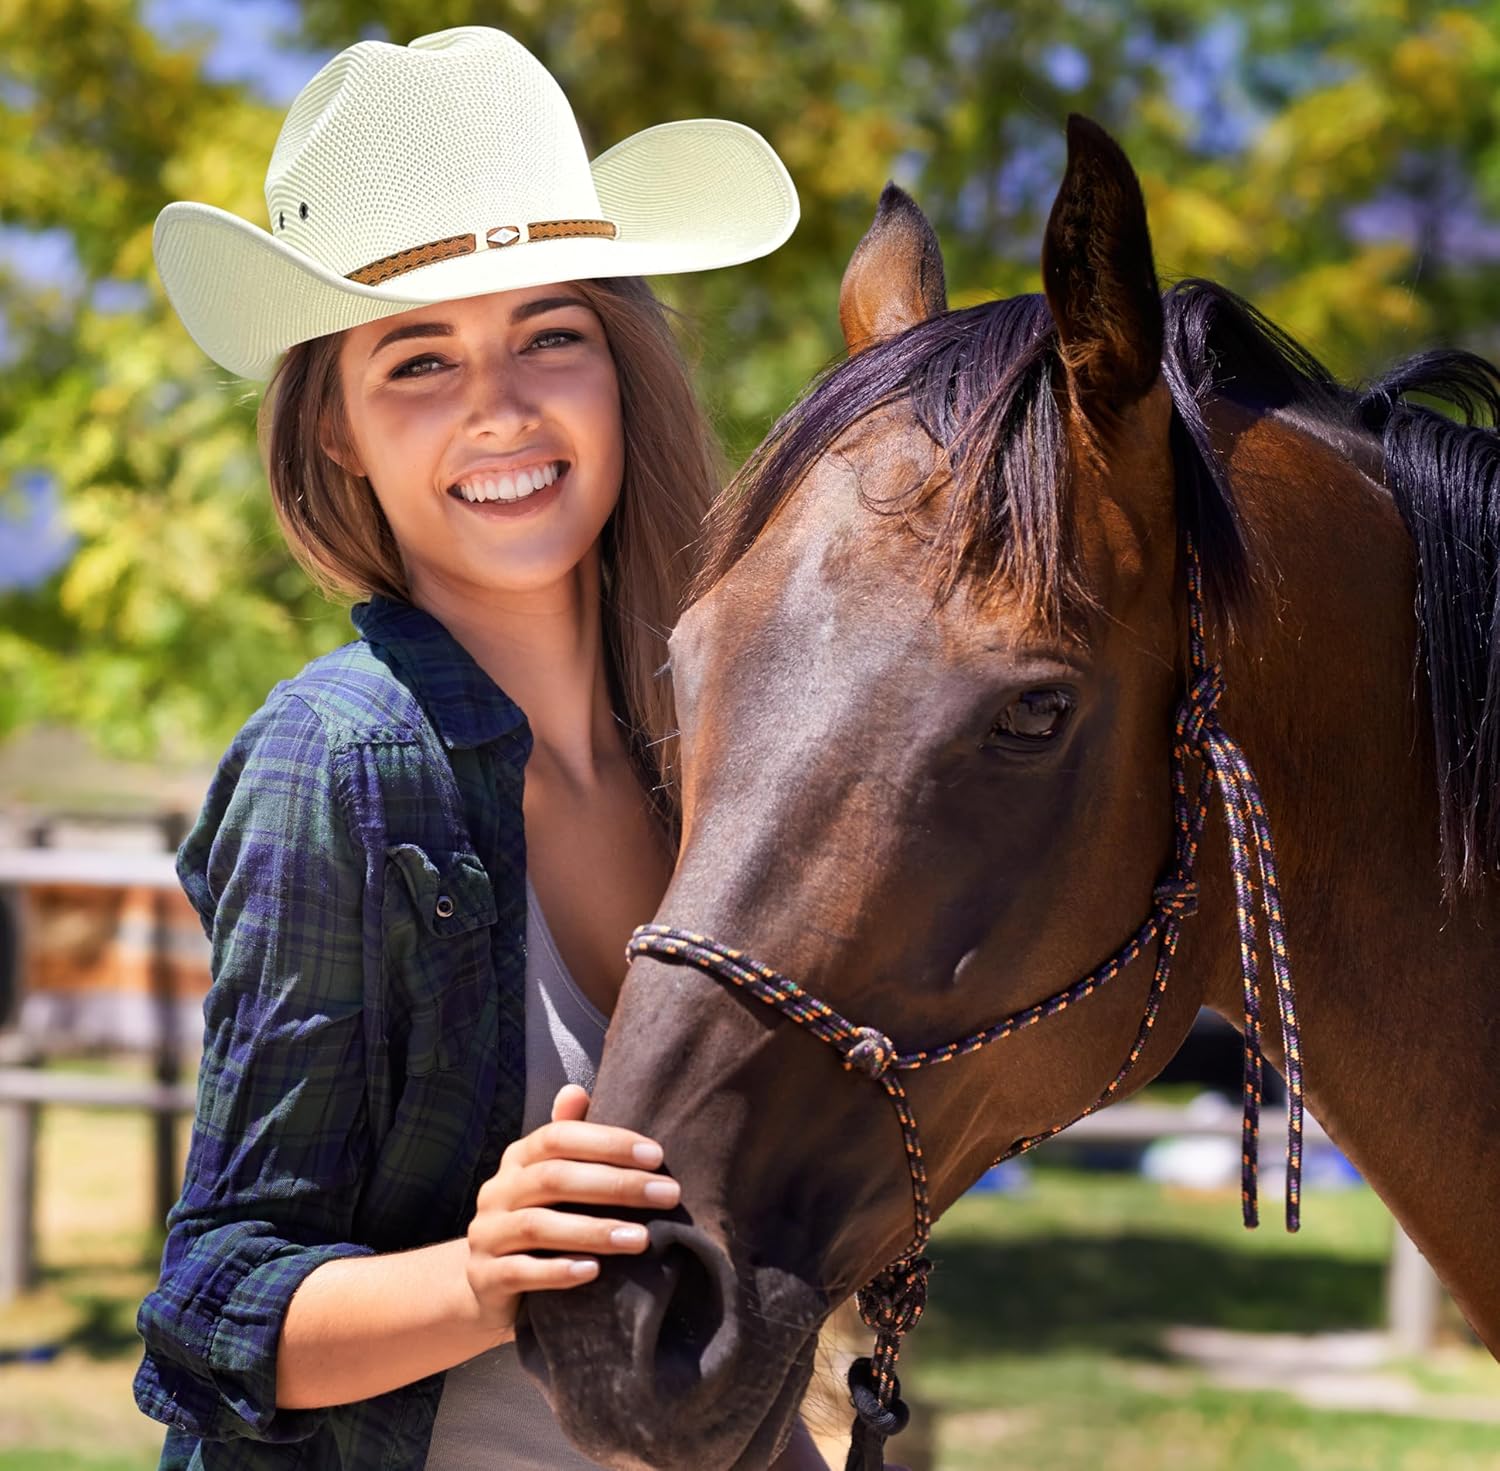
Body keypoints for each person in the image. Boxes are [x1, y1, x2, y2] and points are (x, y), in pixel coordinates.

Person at [132, 25, 819, 1469]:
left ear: (620, 361)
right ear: (336, 432)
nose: (499, 408)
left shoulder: (713, 759)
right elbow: (211, 1304)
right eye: (419, 360)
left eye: (548, 334)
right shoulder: (342, 765)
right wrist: (480, 1274)